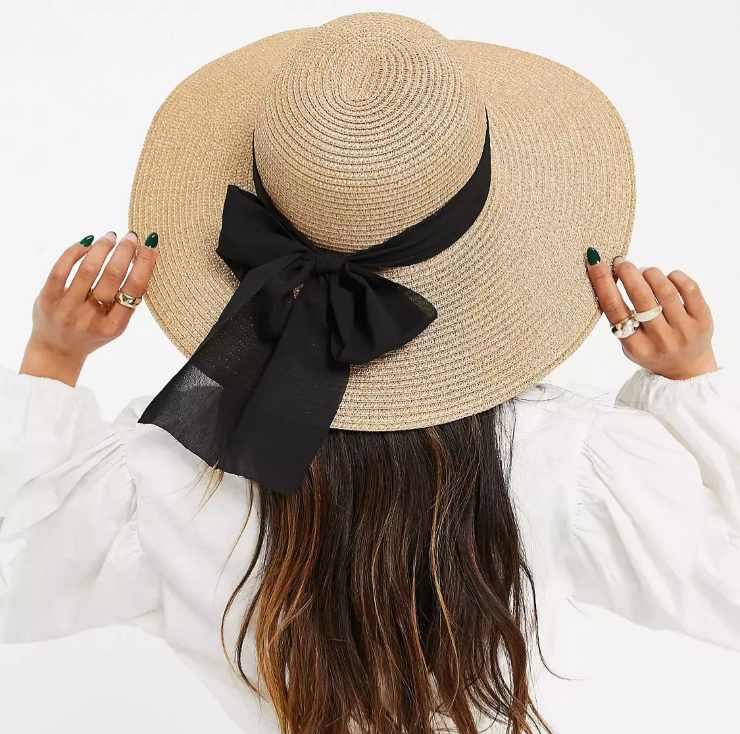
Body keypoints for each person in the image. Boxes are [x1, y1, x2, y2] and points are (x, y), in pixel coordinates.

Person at [1, 11, 738, 734]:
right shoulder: (566, 460)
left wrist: (53, 360)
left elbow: (17, 578)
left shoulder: (164, 470)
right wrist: (689, 379)